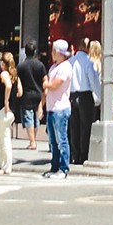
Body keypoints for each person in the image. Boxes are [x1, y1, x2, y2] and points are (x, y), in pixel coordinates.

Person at [43, 39, 74, 179]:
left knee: (62, 139)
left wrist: (46, 84)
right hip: (51, 107)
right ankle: (54, 166)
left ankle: (63, 168)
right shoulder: (54, 67)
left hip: (60, 108)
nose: (52, 53)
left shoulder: (65, 67)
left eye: (54, 51)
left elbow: (55, 85)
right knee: (53, 141)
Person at [68, 38, 101, 165]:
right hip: (85, 95)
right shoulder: (88, 62)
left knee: (74, 127)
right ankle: (83, 155)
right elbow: (93, 82)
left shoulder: (71, 62)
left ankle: (74, 155)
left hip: (72, 95)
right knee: (85, 127)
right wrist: (98, 98)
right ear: (86, 48)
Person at [0, 52, 22, 174]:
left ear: (3, 63)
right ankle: (4, 163)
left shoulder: (4, 74)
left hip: (3, 110)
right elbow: (20, 92)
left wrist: (6, 101)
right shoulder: (16, 76)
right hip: (12, 112)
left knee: (4, 139)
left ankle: (6, 166)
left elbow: (8, 86)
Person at [17, 41, 46, 149]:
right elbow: (44, 80)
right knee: (36, 117)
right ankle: (34, 139)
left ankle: (32, 141)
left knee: (29, 118)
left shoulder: (21, 66)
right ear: (34, 52)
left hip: (26, 94)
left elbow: (18, 81)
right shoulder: (40, 65)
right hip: (38, 93)